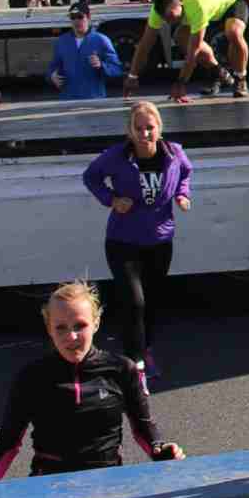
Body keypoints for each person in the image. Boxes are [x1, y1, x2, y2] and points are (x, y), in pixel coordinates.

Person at [0, 280, 184, 480]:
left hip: (108, 482)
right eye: (61, 327)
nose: (72, 336)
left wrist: (160, 449)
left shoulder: (122, 369)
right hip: (48, 484)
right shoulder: (31, 377)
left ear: (96, 323)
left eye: (80, 325)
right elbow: (7, 444)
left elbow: (143, 428)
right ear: (49, 328)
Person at [83, 100, 193, 382]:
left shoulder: (174, 153)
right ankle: (135, 361)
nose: (145, 134)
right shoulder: (117, 156)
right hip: (123, 241)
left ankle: (146, 350)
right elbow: (91, 177)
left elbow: (186, 172)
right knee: (135, 302)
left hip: (159, 240)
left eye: (150, 128)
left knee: (152, 301)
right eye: (139, 128)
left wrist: (182, 194)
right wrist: (112, 200)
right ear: (130, 131)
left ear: (159, 128)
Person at [129, 0, 249, 103]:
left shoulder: (197, 5)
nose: (169, 21)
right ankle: (219, 73)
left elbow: (193, 53)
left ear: (181, 3)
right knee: (181, 37)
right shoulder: (158, 9)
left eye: (171, 16)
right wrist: (132, 76)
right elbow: (145, 43)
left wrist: (181, 84)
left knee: (233, 32)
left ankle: (240, 78)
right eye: (165, 19)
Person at [48, 2, 125, 99]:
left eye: (80, 17)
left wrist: (101, 65)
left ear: (88, 17)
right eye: (73, 17)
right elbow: (53, 67)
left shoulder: (101, 40)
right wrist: (52, 76)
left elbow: (116, 69)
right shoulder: (62, 41)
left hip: (93, 99)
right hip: (67, 99)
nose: (76, 21)